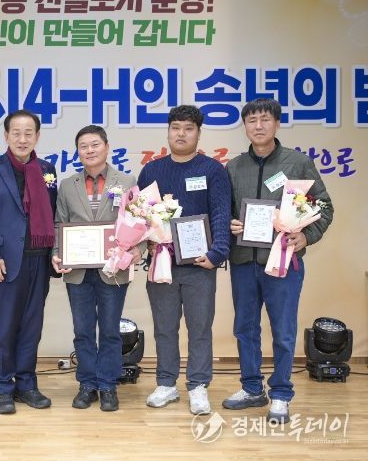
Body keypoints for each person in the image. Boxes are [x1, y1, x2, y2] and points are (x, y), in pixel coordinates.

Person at [222, 98, 333, 423]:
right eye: (252, 120)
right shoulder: (234, 167)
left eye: (265, 119)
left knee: (283, 331)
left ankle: (281, 394)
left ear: (277, 123)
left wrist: (306, 236)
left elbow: (323, 207)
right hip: (244, 261)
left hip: (284, 263)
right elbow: (223, 211)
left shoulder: (297, 163)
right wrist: (230, 224)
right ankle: (252, 388)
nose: (258, 126)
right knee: (245, 329)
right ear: (245, 126)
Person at [137, 105, 231, 415]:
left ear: (198, 133)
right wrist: (146, 245)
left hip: (200, 264)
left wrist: (217, 253)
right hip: (162, 263)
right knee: (164, 327)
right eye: (176, 127)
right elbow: (140, 216)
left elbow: (221, 213)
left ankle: (198, 385)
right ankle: (166, 383)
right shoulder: (151, 171)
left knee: (199, 327)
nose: (181, 134)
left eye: (188, 128)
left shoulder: (212, 170)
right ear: (168, 131)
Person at [0, 109, 58, 415]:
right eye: (16, 133)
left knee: (32, 327)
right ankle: (2, 387)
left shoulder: (47, 170)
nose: (23, 139)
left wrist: (56, 252)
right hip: (5, 263)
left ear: (37, 136)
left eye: (28, 133)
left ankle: (26, 385)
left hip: (39, 260)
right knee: (5, 327)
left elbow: (53, 215)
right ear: (6, 136)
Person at [51, 125, 141, 412]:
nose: (89, 150)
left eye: (94, 145)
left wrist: (138, 250)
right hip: (77, 270)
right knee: (83, 330)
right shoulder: (68, 185)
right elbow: (59, 223)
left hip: (113, 268)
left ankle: (107, 385)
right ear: (78, 152)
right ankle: (87, 383)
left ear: (106, 147)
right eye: (83, 146)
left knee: (111, 330)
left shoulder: (126, 181)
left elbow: (140, 220)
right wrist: (57, 253)